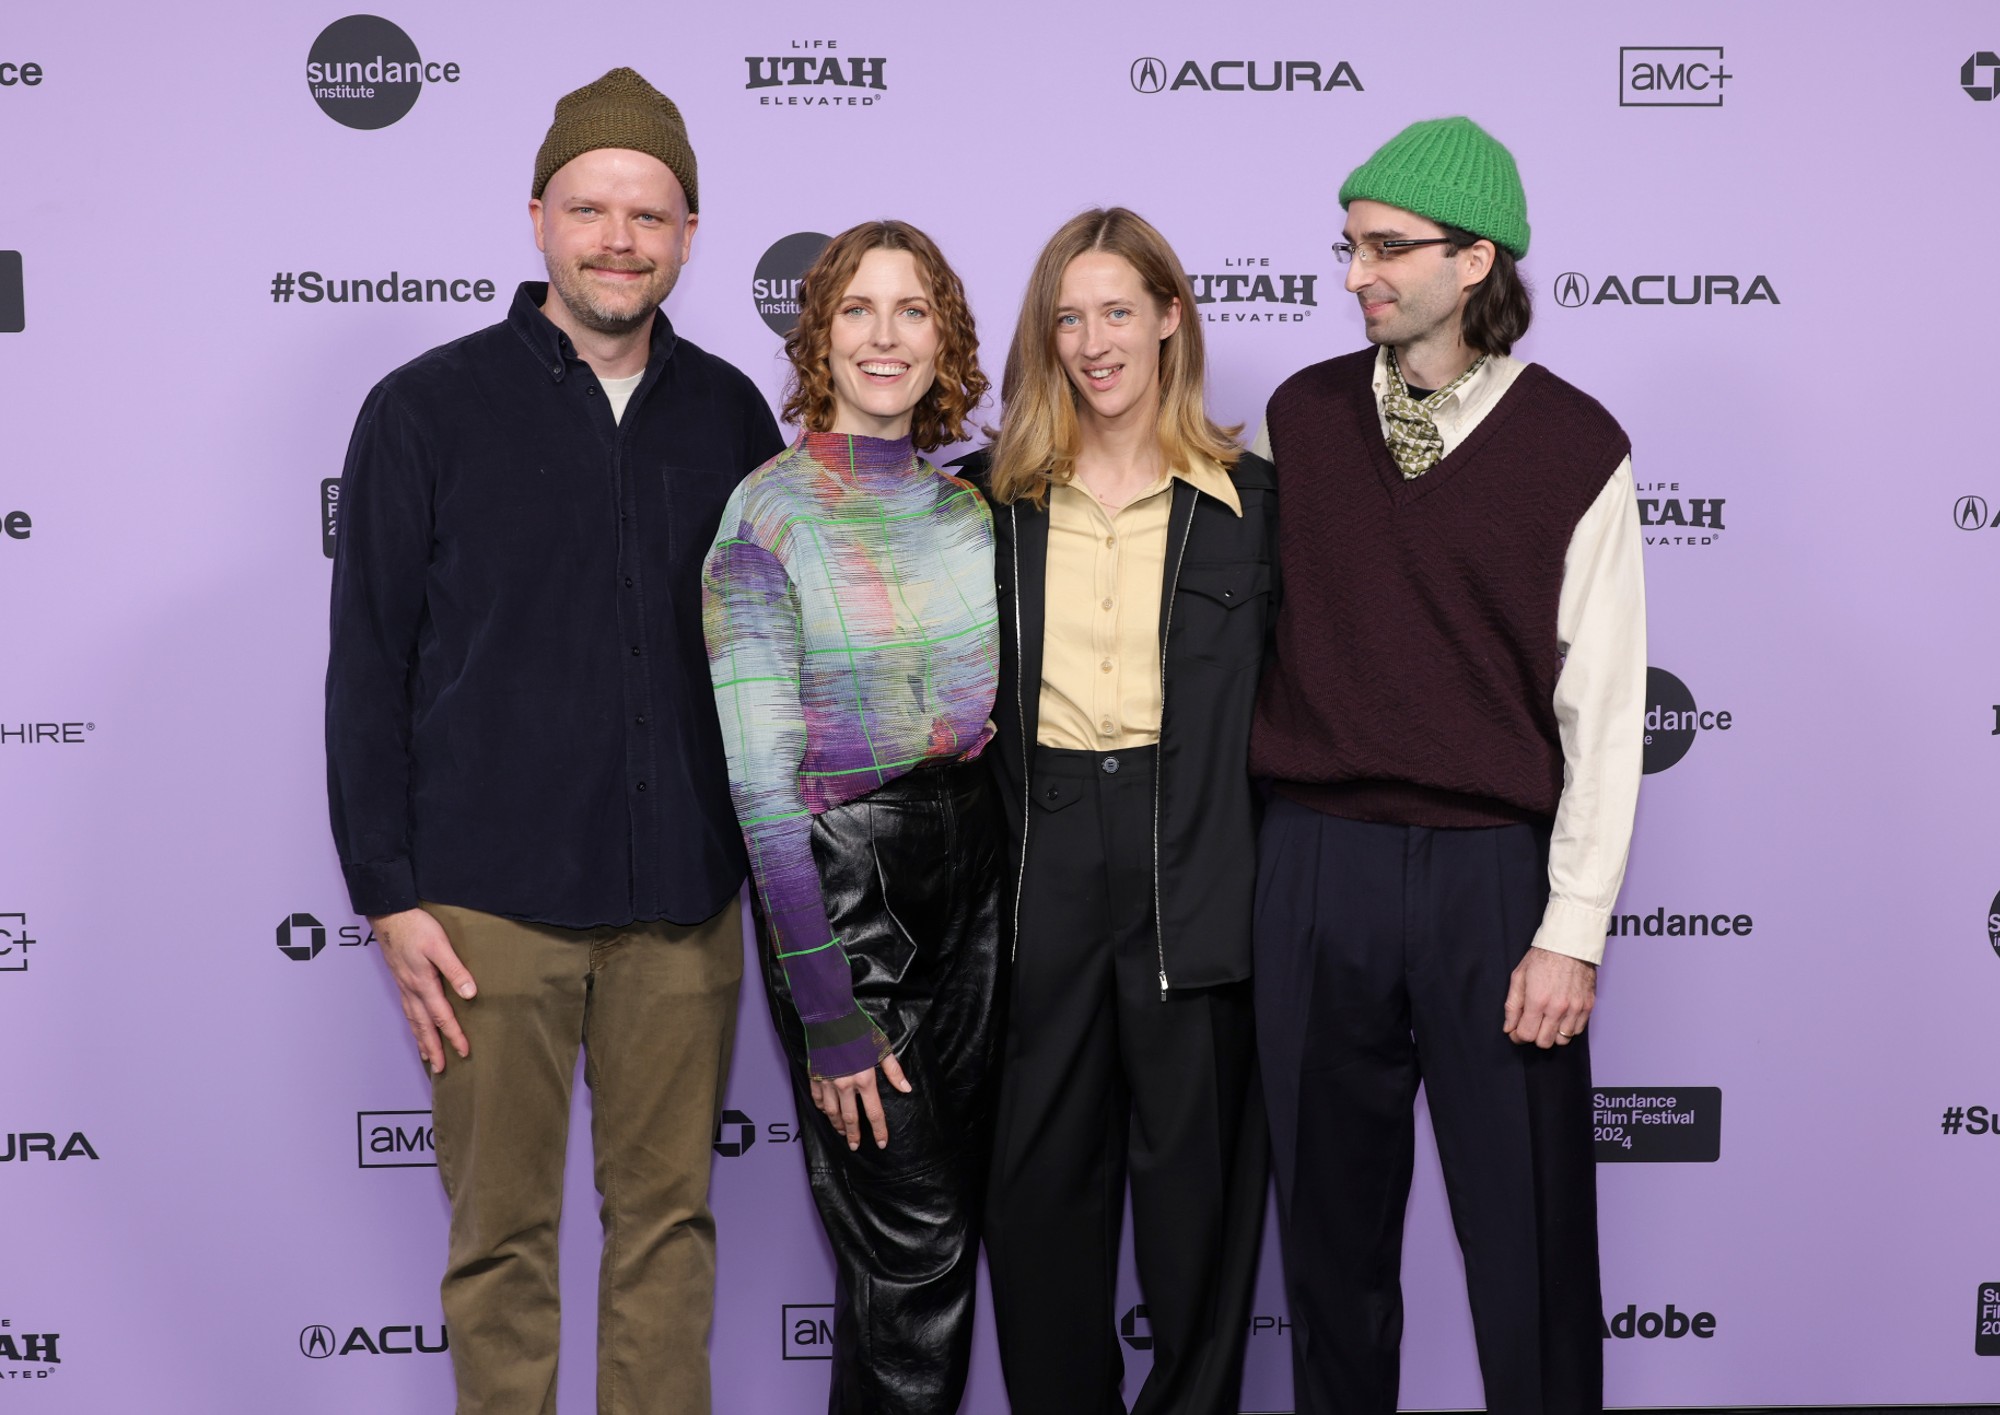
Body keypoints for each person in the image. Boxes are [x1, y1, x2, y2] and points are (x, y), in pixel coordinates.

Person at [325, 68, 782, 1415]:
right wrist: (388, 895)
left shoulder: (730, 417)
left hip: (683, 904)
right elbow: (367, 665)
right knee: (502, 1242)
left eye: (648, 213)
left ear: (690, 233)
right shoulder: (425, 408)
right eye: (591, 208)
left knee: (668, 1232)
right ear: (538, 218)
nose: (618, 239)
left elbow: (763, 660)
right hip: (482, 909)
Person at [1250, 116, 1647, 1415]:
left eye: (1386, 248)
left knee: (1528, 1243)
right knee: (1328, 1251)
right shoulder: (1297, 421)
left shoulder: (1579, 447)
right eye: (1349, 245)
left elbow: (1602, 711)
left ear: (1476, 260)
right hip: (1315, 864)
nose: (1358, 271)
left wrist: (1571, 931)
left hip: (1493, 884)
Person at [967, 207, 1274, 1415]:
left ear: (1167, 318)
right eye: (1067, 316)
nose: (1093, 340)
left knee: (1197, 1207)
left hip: (1191, 862)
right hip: (1035, 860)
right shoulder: (987, 502)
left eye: (1115, 311)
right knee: (1036, 1198)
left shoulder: (1252, 501)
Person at [701, 220, 1000, 1415]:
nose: (885, 336)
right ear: (818, 335)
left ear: (945, 338)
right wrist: (827, 1006)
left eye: (913, 309)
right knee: (913, 1245)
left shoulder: (969, 511)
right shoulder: (767, 514)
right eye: (858, 309)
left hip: (977, 870)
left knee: (927, 1249)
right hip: (846, 888)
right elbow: (760, 787)